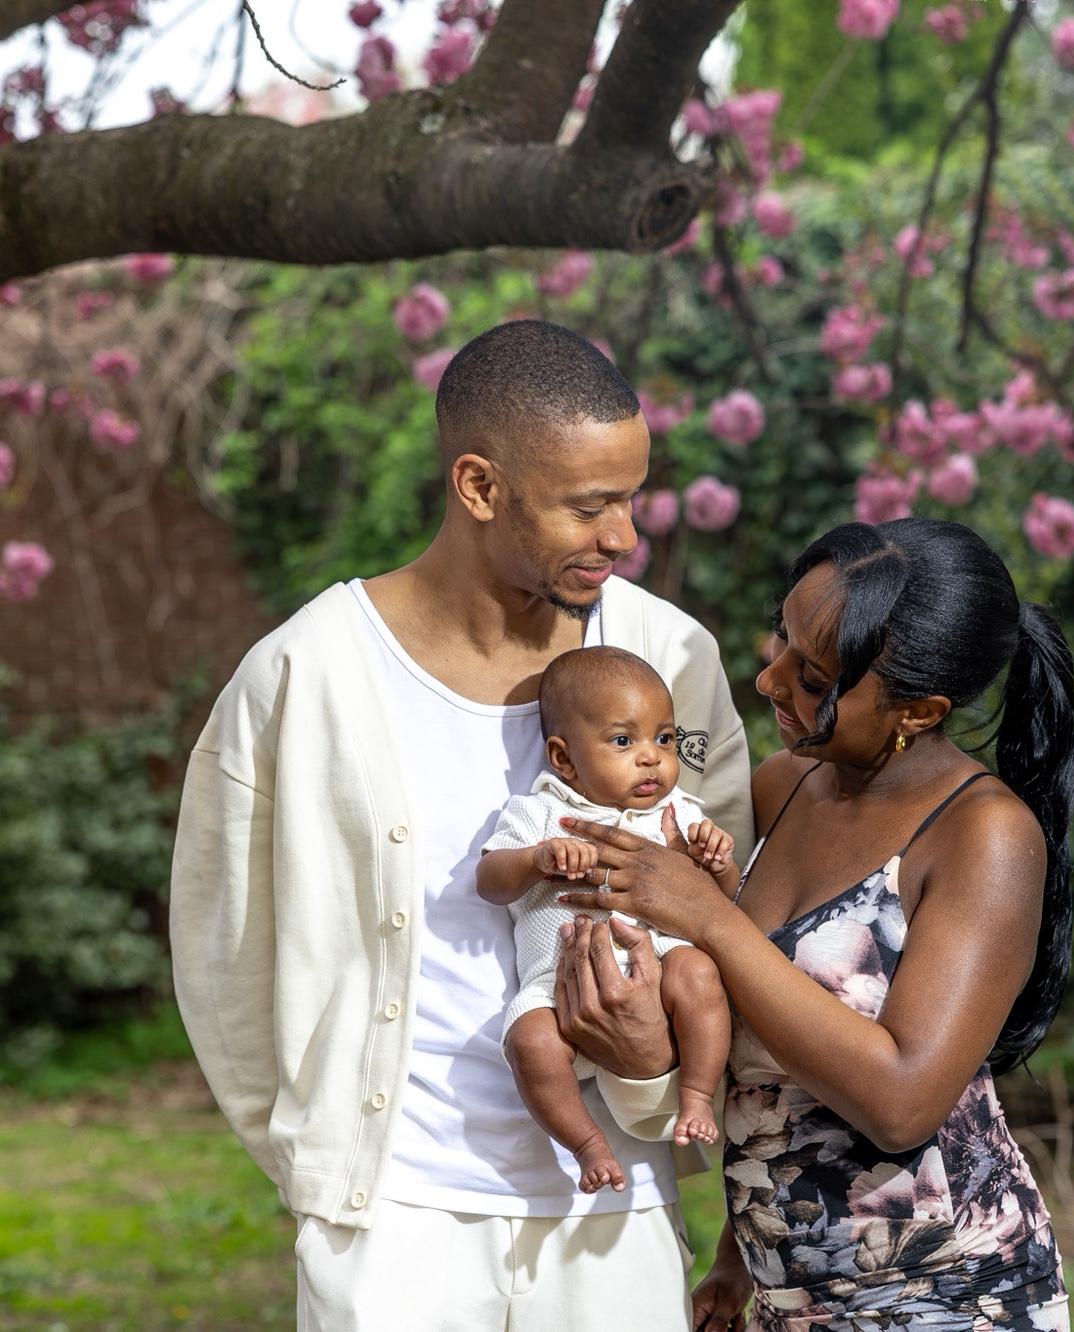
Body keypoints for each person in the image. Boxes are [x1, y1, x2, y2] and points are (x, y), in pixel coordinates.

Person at [168, 319, 754, 1332]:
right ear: (479, 487)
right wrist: (317, 1162)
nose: (623, 536)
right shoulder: (309, 675)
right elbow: (223, 953)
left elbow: (730, 911)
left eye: (631, 499)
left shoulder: (669, 655)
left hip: (612, 1210)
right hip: (392, 1224)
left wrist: (656, 1080)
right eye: (590, 506)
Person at [559, 518, 1074, 1331]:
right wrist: (736, 1260)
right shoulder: (786, 787)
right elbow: (777, 1077)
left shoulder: (983, 836)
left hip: (942, 1297)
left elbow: (903, 1100)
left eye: (814, 678)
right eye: (782, 645)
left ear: (919, 710)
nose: (770, 683)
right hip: (788, 1295)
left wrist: (711, 919)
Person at [477, 646, 738, 1194]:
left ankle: (695, 1094)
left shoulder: (678, 813)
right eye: (624, 741)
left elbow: (724, 906)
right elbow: (489, 881)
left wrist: (717, 862)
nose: (651, 758)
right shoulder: (540, 812)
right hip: (557, 983)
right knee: (529, 1041)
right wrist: (536, 858)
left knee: (700, 974)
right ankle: (586, 1144)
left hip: (661, 963)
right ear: (564, 759)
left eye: (664, 739)